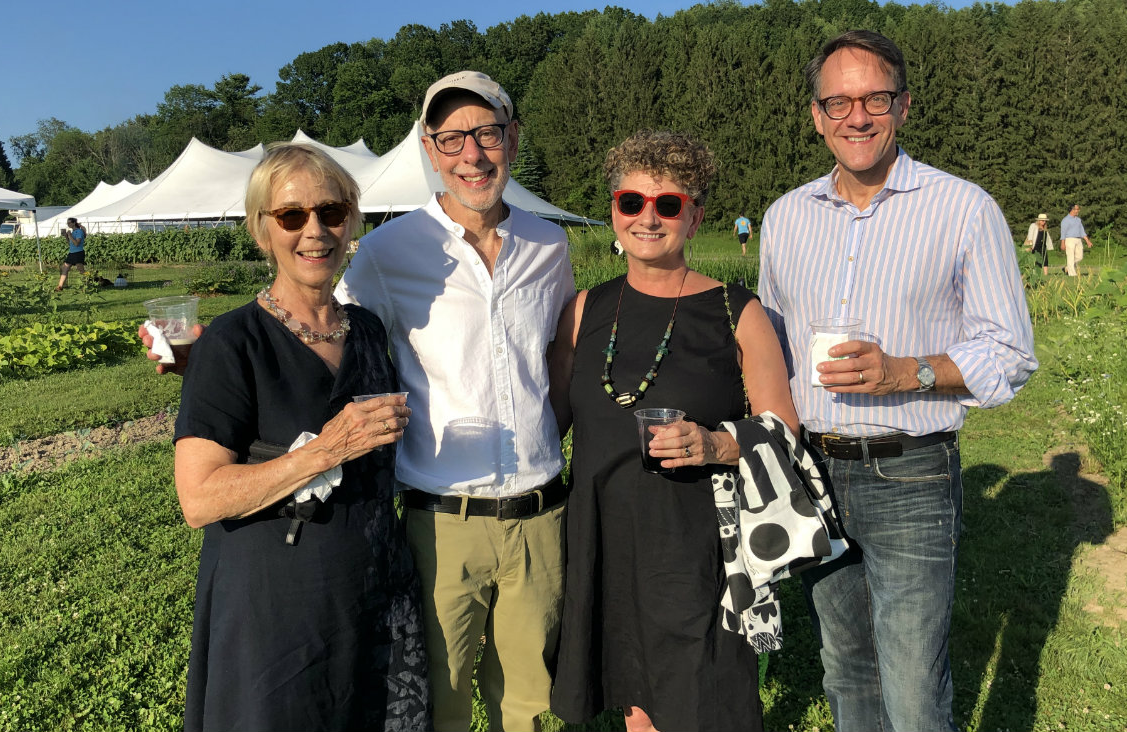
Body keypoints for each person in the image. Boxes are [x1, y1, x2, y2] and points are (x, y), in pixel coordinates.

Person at [757, 31, 1037, 731]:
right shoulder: (785, 218)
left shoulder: (963, 208)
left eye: (875, 98)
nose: (858, 117)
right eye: (839, 101)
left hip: (912, 473)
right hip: (814, 468)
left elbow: (1010, 353)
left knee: (913, 683)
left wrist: (908, 372)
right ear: (816, 115)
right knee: (846, 668)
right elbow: (769, 346)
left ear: (904, 106)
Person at [335, 71, 575, 732]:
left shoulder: (550, 246)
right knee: (438, 700)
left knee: (531, 704)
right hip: (441, 523)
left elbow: (557, 358)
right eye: (451, 139)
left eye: (487, 133)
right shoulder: (388, 253)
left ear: (513, 138)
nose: (472, 154)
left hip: (539, 515)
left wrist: (543, 435)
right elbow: (331, 340)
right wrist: (217, 349)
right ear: (429, 148)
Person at [172, 143, 430, 732]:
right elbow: (199, 498)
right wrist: (325, 450)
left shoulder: (365, 329)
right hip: (278, 602)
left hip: (372, 589)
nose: (314, 230)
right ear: (262, 231)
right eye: (291, 216)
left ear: (352, 221)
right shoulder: (233, 343)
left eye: (332, 212)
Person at [549, 130, 801, 732]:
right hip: (605, 536)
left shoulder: (736, 311)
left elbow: (784, 434)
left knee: (699, 696)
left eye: (668, 204)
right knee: (636, 696)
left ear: (696, 216)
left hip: (693, 541)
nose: (647, 218)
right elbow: (552, 419)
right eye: (631, 202)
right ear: (613, 210)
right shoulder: (584, 309)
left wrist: (715, 443)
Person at [1060, 203, 1093, 276]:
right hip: (1069, 239)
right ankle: (1072, 274)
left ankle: (1067, 267)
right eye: (1077, 209)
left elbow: (1082, 231)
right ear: (1072, 210)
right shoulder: (1065, 220)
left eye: (1078, 209)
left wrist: (1087, 241)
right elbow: (1063, 232)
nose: (1078, 211)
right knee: (1070, 256)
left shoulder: (1078, 220)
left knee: (1079, 256)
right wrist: (1062, 243)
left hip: (1078, 239)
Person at [55, 217, 86, 291]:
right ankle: (60, 286)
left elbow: (77, 244)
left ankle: (87, 284)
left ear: (74, 223)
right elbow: (71, 244)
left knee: (81, 270)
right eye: (67, 223)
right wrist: (66, 237)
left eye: (69, 223)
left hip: (78, 253)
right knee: (64, 268)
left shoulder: (79, 232)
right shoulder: (72, 232)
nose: (68, 224)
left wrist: (70, 235)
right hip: (71, 253)